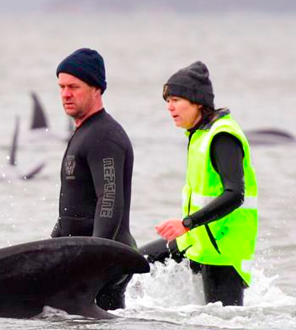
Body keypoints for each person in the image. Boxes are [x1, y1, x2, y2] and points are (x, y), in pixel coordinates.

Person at [148, 61, 258, 306]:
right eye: (167, 101)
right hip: (197, 240)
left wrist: (186, 223)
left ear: (197, 101)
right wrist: (188, 228)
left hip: (223, 251)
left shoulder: (222, 136)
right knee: (133, 263)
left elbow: (235, 194)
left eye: (175, 99)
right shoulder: (199, 134)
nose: (169, 107)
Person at [51, 48, 136, 310]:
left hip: (105, 262)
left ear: (96, 89)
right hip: (87, 258)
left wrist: (95, 259)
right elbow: (75, 203)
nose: (65, 94)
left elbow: (108, 199)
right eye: (61, 86)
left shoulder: (104, 137)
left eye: (73, 86)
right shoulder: (84, 132)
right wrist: (53, 246)